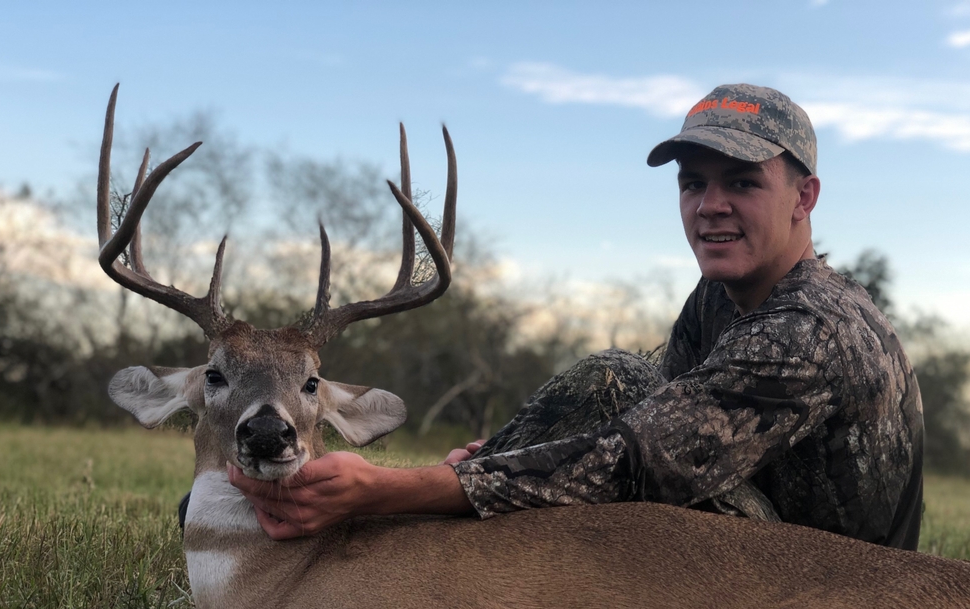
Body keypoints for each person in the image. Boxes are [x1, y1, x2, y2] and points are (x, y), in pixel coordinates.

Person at [227, 84, 925, 550]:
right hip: (761, 547)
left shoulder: (811, 328)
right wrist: (491, 463)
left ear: (804, 197)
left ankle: (409, 534)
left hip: (831, 595)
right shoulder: (717, 299)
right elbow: (659, 412)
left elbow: (637, 464)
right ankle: (412, 523)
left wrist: (402, 490)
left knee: (611, 388)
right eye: (693, 184)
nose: (711, 205)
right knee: (616, 382)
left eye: (742, 183)